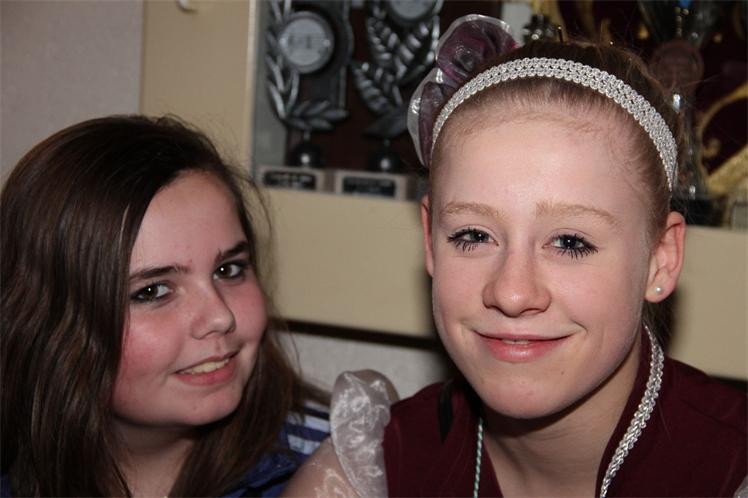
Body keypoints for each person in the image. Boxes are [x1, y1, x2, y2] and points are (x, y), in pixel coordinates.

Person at [284, 14, 747, 498]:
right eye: (473, 235)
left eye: (570, 242)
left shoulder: (730, 472)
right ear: (430, 241)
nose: (512, 293)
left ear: (661, 259)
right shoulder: (367, 472)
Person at [0, 115, 329, 497]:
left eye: (229, 269)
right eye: (153, 291)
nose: (220, 316)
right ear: (49, 321)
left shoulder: (341, 468)